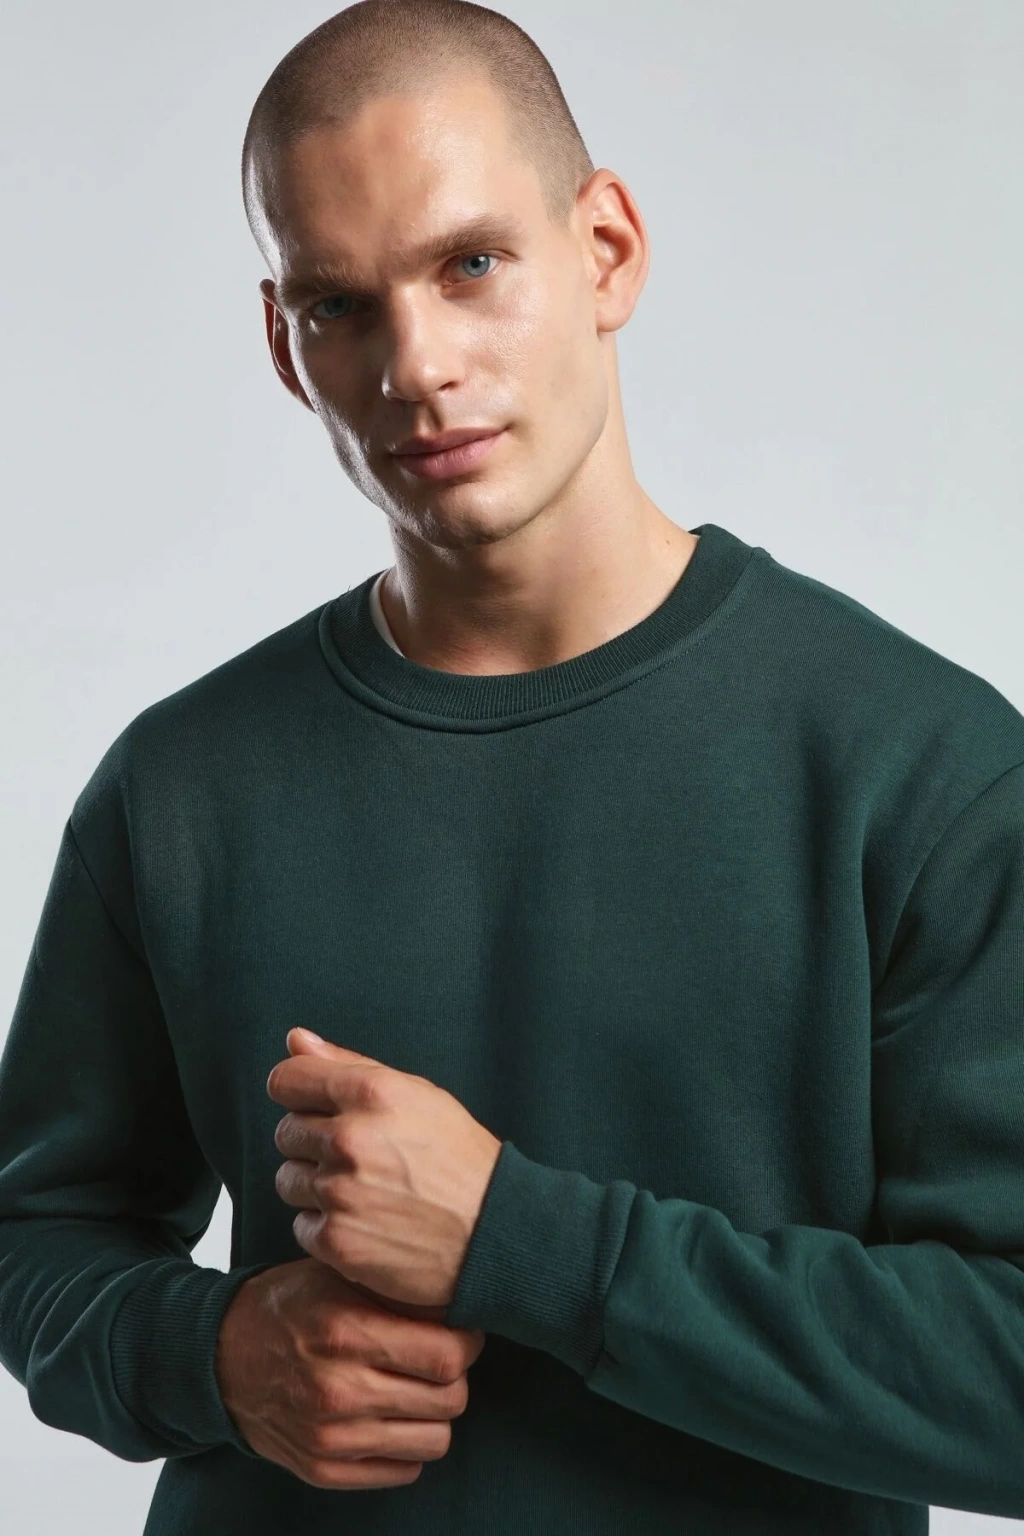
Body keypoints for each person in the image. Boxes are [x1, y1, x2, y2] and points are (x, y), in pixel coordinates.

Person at [1, 2, 1023, 1533]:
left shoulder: (922, 770)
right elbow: (36, 1234)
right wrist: (212, 1356)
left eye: (471, 264)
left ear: (606, 250)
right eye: (339, 304)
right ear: (284, 346)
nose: (417, 366)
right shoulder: (179, 785)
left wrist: (527, 1244)